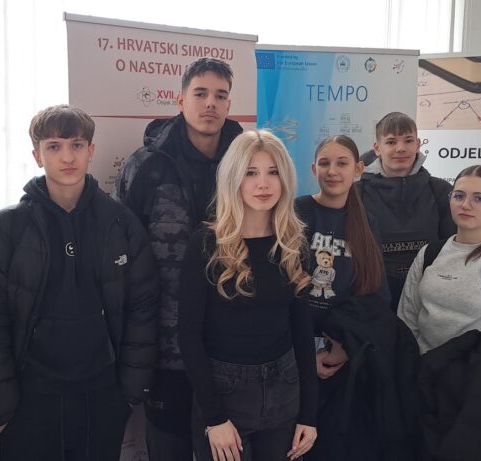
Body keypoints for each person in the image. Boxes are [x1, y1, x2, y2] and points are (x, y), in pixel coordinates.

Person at [0, 105, 159, 460]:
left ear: (91, 151)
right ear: (37, 155)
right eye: (54, 146)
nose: (67, 157)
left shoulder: (121, 224)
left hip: (102, 398)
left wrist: (128, 395)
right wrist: (2, 409)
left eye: (76, 145)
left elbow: (143, 310)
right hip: (28, 400)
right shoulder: (6, 228)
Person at [114, 57, 244, 460]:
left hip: (232, 348)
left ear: (229, 104)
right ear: (180, 99)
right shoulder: (147, 166)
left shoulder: (247, 164)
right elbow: (123, 257)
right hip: (166, 347)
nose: (210, 104)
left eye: (220, 95)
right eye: (200, 93)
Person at [178, 130, 318, 461]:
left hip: (284, 392)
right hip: (223, 396)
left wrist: (309, 414)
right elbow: (188, 335)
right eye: (251, 173)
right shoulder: (205, 245)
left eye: (273, 172)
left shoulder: (293, 245)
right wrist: (214, 418)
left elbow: (302, 332)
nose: (263, 184)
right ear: (234, 179)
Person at [293, 136, 398, 460]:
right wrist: (303, 355)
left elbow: (375, 296)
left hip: (341, 355)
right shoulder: (297, 211)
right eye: (325, 163)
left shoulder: (367, 223)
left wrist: (343, 349)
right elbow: (279, 289)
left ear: (358, 169)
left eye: (342, 163)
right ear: (313, 169)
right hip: (293, 352)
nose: (332, 171)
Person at [398, 165, 481, 389]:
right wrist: (412, 373)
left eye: (479, 198)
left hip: (473, 389)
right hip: (423, 380)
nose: (465, 205)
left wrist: (476, 393)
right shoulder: (429, 254)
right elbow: (408, 317)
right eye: (459, 196)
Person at [357, 112, 455, 310]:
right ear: (377, 148)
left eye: (408, 140)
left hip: (428, 304)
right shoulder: (356, 195)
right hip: (372, 305)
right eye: (391, 142)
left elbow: (453, 252)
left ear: (418, 144)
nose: (400, 148)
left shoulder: (441, 191)